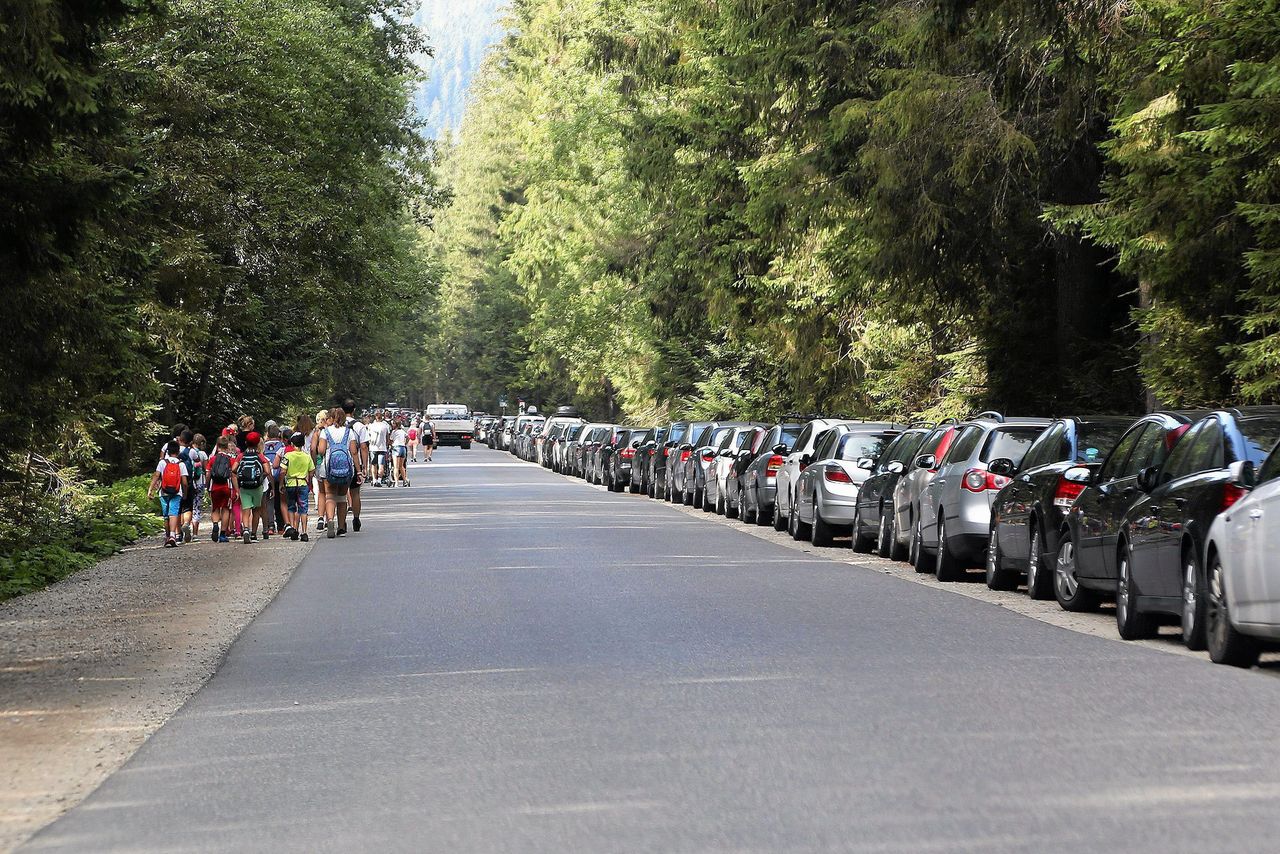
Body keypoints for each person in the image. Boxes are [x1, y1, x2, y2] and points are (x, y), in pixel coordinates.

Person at [316, 405, 356, 538]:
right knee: (342, 497)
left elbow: (321, 450)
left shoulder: (325, 432)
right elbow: (354, 451)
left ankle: (330, 520)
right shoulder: (349, 432)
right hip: (345, 467)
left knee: (330, 495)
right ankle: (341, 527)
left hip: (328, 468)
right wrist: (360, 470)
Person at [148, 440, 191, 548]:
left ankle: (167, 537)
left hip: (164, 492)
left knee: (166, 515)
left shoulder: (162, 462)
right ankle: (173, 536)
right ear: (178, 451)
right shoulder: (181, 464)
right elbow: (185, 482)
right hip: (177, 492)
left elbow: (156, 476)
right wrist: (185, 493)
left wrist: (150, 490)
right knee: (174, 513)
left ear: (167, 451)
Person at [280, 431, 315, 541]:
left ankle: (294, 528)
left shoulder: (288, 456)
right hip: (302, 483)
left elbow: (282, 471)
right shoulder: (307, 456)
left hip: (291, 483)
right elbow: (312, 470)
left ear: (291, 444)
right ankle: (304, 532)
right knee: (303, 508)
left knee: (291, 506)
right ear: (303, 444)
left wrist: (281, 484)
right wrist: (308, 480)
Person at [237, 431, 270, 543]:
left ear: (246, 442)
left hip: (244, 487)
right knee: (256, 510)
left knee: (246, 509)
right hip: (257, 486)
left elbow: (233, 469)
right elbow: (267, 471)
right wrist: (260, 476)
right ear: (258, 444)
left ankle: (246, 529)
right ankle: (254, 534)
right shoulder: (260, 456)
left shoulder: (241, 456)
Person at [205, 435, 239, 543]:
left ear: (217, 446)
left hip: (214, 487)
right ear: (227, 446)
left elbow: (208, 474)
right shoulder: (231, 460)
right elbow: (233, 476)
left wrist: (207, 486)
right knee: (225, 509)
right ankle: (223, 534)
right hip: (226, 487)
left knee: (215, 508)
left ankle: (215, 525)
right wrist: (237, 490)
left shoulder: (212, 459)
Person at [342, 399, 369, 532]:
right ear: (354, 410)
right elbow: (363, 447)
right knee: (355, 493)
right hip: (354, 463)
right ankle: (356, 518)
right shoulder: (359, 426)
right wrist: (364, 466)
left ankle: (341, 522)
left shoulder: (337, 425)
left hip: (339, 464)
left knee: (340, 494)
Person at [263, 424, 286, 536]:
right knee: (279, 502)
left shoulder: (263, 446)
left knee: (268, 502)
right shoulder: (281, 446)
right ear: (278, 434)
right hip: (278, 476)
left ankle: (270, 526)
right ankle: (281, 526)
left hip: (267, 476)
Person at [176, 429, 198, 543]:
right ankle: (186, 524)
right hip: (188, 482)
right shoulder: (191, 451)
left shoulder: (173, 450)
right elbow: (198, 461)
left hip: (174, 483)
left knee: (177, 509)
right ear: (190, 442)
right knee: (188, 507)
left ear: (180, 438)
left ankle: (178, 534)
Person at [310, 409, 330, 531]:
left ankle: (321, 517)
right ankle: (330, 518)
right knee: (330, 493)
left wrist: (313, 464)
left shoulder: (316, 432)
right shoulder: (331, 431)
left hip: (318, 464)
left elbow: (313, 448)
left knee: (321, 492)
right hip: (331, 464)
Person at [189, 433, 209, 539]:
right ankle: (195, 533)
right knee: (197, 507)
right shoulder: (202, 454)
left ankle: (184, 527)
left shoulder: (188, 452)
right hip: (200, 481)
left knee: (188, 506)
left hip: (188, 482)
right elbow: (206, 469)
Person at [369, 409, 391, 487]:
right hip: (382, 448)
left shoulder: (371, 426)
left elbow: (369, 436)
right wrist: (388, 444)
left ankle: (374, 480)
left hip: (373, 448)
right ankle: (379, 480)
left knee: (373, 464)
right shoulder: (385, 426)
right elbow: (388, 438)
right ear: (382, 416)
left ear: (375, 416)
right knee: (381, 465)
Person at [391, 418, 410, 486]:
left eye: (393, 423)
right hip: (403, 448)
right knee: (401, 466)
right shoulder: (402, 431)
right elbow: (408, 437)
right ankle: (404, 480)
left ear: (395, 424)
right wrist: (405, 443)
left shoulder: (394, 432)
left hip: (396, 448)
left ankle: (396, 482)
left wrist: (390, 444)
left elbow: (391, 440)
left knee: (396, 466)